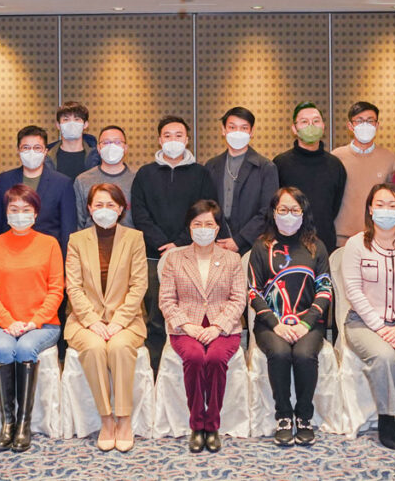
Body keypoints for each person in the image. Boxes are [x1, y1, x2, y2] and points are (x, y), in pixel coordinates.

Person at [131, 115, 224, 371]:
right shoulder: (145, 174)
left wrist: (179, 243)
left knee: (188, 311)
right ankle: (156, 372)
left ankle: (186, 368)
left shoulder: (201, 173)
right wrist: (163, 244)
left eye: (179, 135)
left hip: (191, 253)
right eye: (168, 135)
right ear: (160, 140)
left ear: (187, 139)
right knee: (155, 315)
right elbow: (139, 213)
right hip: (154, 255)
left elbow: (206, 211)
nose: (173, 140)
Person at [341, 183, 395, 450]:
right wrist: (380, 327)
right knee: (384, 356)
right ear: (370, 209)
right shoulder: (356, 244)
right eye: (379, 204)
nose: (386, 210)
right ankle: (387, 418)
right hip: (363, 324)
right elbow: (353, 291)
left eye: (392, 205)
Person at [64, 184, 147, 453]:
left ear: (121, 208)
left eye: (111, 205)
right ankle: (106, 420)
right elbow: (73, 286)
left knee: (120, 347)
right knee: (94, 347)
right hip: (84, 320)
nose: (104, 210)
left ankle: (124, 419)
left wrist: (119, 321)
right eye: (98, 205)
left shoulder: (134, 238)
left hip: (127, 319)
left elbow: (138, 285)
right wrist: (92, 320)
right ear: (89, 208)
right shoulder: (77, 240)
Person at [0, 184, 64, 453]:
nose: (19, 215)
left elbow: (56, 290)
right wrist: (9, 322)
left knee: (26, 348)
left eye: (25, 209)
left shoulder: (49, 244)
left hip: (43, 324)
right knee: (5, 350)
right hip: (3, 324)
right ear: (6, 213)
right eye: (13, 209)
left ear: (36, 213)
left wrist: (34, 322)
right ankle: (8, 423)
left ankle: (24, 424)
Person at [248, 187, 333, 447]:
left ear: (303, 213)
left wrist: (306, 323)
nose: (289, 215)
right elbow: (253, 292)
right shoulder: (261, 247)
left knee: (305, 355)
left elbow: (325, 290)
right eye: (283, 209)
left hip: (309, 323)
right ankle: (284, 416)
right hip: (270, 324)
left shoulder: (316, 247)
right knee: (281, 353)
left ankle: (304, 417)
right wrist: (276, 325)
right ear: (274, 212)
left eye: (295, 210)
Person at [159, 200, 245, 453]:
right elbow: (166, 300)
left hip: (223, 326)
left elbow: (238, 299)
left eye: (209, 224)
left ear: (217, 228)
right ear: (189, 227)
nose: (203, 229)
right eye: (198, 224)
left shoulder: (232, 259)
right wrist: (187, 325)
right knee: (195, 358)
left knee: (216, 358)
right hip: (186, 327)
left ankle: (212, 425)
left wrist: (217, 327)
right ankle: (197, 425)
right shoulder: (175, 259)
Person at [273, 102, 347, 253]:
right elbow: (273, 206)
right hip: (287, 244)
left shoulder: (335, 165)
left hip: (325, 244)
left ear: (323, 126)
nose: (311, 126)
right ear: (294, 128)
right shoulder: (280, 163)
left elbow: (334, 207)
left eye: (316, 121)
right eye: (304, 122)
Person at [0, 125, 76, 257]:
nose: (31, 152)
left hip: (47, 256)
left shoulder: (62, 183)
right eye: (26, 148)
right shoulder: (4, 180)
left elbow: (68, 229)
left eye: (37, 148)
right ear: (18, 150)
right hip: (10, 254)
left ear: (45, 151)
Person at [204, 107, 279, 253]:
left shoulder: (266, 167)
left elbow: (268, 210)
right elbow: (206, 207)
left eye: (244, 128)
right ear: (223, 130)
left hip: (252, 246)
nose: (237, 132)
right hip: (217, 244)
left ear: (251, 132)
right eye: (232, 127)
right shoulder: (211, 166)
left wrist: (239, 240)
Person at [332, 102, 395, 247]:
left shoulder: (388, 158)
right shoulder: (337, 157)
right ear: (350, 126)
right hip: (342, 239)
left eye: (370, 121)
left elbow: (393, 201)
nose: (365, 125)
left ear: (377, 125)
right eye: (360, 121)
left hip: (377, 238)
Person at [74, 126, 136, 229]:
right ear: (99, 148)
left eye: (117, 142)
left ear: (125, 148)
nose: (111, 146)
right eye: (106, 142)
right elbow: (79, 222)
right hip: (91, 238)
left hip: (129, 238)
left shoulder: (137, 179)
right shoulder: (83, 180)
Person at [48, 101, 99, 180]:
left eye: (77, 119)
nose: (71, 124)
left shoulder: (96, 157)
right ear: (58, 125)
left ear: (85, 124)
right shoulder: (47, 158)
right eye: (66, 119)